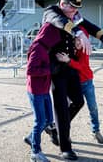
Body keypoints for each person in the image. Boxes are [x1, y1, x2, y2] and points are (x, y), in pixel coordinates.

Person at [43, 0, 103, 160]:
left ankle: (53, 129)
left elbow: (90, 26)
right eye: (72, 7)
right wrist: (78, 33)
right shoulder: (51, 12)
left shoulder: (73, 15)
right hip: (57, 68)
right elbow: (60, 21)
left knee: (78, 101)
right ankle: (65, 148)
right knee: (60, 107)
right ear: (62, 3)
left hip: (70, 67)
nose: (74, 11)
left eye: (76, 8)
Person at [55, 34, 103, 144]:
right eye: (76, 40)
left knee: (93, 107)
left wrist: (68, 60)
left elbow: (81, 66)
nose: (78, 42)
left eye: (81, 40)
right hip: (73, 84)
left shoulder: (84, 50)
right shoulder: (70, 49)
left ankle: (95, 130)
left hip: (87, 82)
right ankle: (62, 131)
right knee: (68, 109)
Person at [26, 20, 63, 162]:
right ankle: (35, 152)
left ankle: (31, 138)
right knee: (40, 121)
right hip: (36, 91)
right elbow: (30, 70)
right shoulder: (38, 47)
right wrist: (48, 70)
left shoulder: (45, 47)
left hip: (43, 89)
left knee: (48, 120)